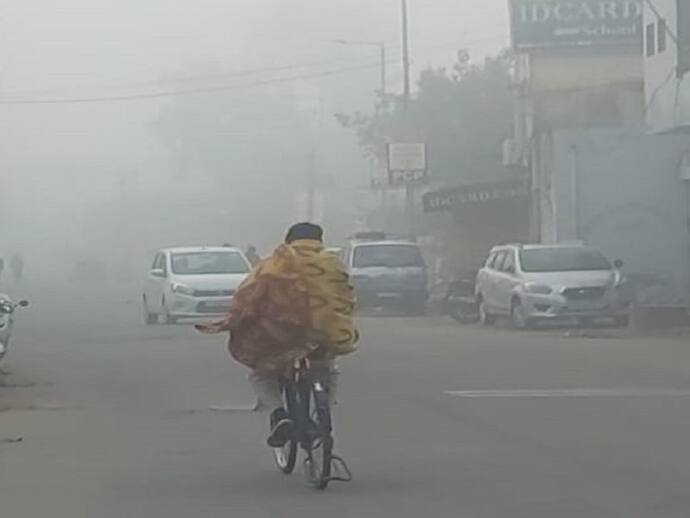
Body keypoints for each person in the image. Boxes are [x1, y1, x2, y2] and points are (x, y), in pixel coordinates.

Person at [197, 223, 358, 447]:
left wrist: (234, 322)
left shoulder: (275, 264)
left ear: (288, 240)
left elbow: (249, 296)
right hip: (323, 334)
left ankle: (279, 414)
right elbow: (347, 299)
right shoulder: (334, 264)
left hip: (282, 337)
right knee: (327, 370)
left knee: (261, 374)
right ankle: (322, 413)